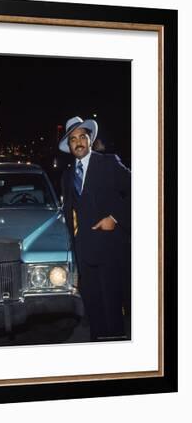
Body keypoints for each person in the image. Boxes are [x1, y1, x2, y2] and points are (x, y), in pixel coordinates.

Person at [59, 116, 131, 341]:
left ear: (90, 140)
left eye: (82, 137)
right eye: (73, 139)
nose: (78, 142)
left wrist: (116, 218)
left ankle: (117, 356)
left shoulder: (108, 163)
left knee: (111, 307)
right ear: (69, 146)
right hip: (84, 253)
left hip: (110, 250)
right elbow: (71, 214)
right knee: (93, 307)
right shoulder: (67, 175)